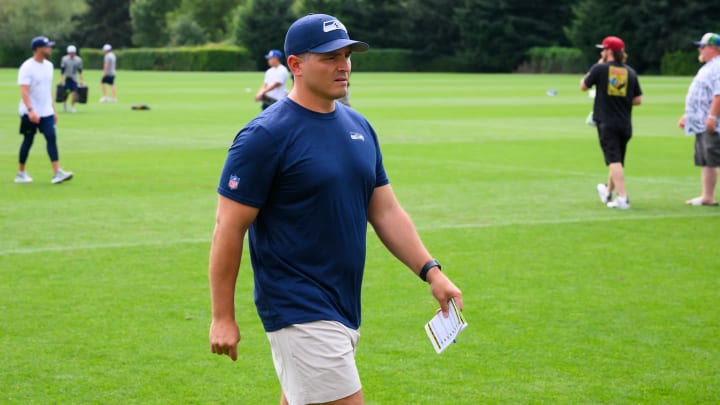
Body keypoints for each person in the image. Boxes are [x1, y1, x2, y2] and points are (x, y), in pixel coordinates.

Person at [209, 13, 463, 405]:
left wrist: (431, 271)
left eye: (346, 55)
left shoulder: (359, 126)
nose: (343, 65)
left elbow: (386, 211)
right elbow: (228, 228)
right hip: (298, 308)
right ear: (295, 64)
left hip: (342, 304)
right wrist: (222, 316)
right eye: (329, 57)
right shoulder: (265, 136)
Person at [580, 35, 643, 209]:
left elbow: (583, 86)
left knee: (613, 160)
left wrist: (599, 63)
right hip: (625, 122)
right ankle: (608, 192)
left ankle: (623, 198)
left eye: (603, 49)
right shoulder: (630, 71)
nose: (601, 52)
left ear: (609, 51)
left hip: (607, 122)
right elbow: (638, 100)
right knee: (617, 160)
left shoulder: (600, 69)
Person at [15, 36, 73, 184]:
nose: (50, 49)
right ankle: (21, 173)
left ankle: (57, 173)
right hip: (29, 112)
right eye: (47, 47)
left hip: (46, 111)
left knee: (51, 137)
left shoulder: (49, 66)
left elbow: (47, 90)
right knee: (28, 141)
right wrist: (30, 110)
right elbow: (24, 91)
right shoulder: (27, 67)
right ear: (38, 49)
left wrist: (53, 109)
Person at [678, 32, 720, 206]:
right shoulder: (708, 66)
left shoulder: (718, 66)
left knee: (715, 157)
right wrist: (689, 115)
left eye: (702, 46)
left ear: (713, 48)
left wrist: (712, 116)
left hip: (712, 122)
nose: (699, 49)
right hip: (701, 121)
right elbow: (702, 94)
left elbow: (718, 94)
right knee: (707, 160)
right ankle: (707, 196)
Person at [60, 45, 84, 113]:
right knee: (67, 92)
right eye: (70, 53)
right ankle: (64, 102)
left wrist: (81, 79)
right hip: (67, 79)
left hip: (74, 79)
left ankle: (72, 106)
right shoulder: (64, 59)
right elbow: (62, 70)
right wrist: (61, 79)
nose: (72, 54)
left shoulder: (78, 60)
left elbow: (80, 70)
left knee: (74, 92)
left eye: (73, 53)